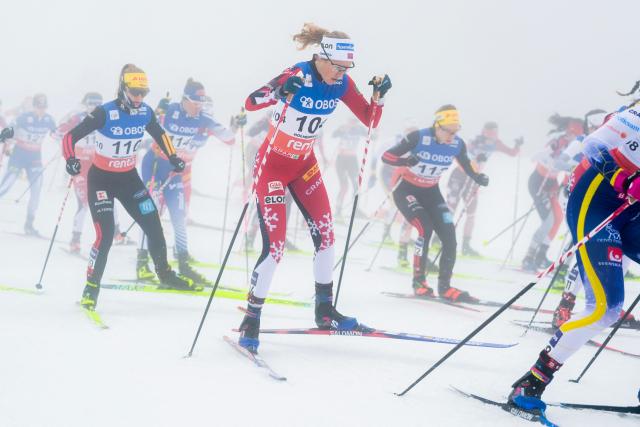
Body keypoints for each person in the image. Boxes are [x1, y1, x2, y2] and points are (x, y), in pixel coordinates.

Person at [237, 22, 391, 353]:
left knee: (326, 235)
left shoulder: (341, 84)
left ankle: (324, 310)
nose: (342, 73)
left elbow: (370, 119)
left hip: (304, 166)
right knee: (275, 247)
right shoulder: (298, 73)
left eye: (347, 68)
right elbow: (251, 102)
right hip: (274, 166)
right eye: (338, 66)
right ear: (321, 58)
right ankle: (252, 317)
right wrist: (279, 90)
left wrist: (378, 97)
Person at [507, 86, 640, 417]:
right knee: (606, 309)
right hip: (596, 207)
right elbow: (591, 146)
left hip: (632, 215)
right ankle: (531, 382)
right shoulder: (635, 116)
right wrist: (623, 180)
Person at [61, 63, 198, 311]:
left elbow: (160, 134)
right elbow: (70, 137)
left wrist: (173, 155)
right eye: (135, 92)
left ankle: (165, 275)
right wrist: (70, 160)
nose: (139, 97)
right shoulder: (105, 112)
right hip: (101, 180)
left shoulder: (144, 112)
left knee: (154, 225)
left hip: (128, 180)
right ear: (123, 88)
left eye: (143, 92)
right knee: (105, 236)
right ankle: (91, 288)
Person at [381, 105, 488, 302]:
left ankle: (445, 287)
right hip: (407, 190)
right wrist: (405, 162)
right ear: (437, 125)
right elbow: (387, 156)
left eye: (456, 131)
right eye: (449, 131)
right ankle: (419, 282)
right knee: (425, 228)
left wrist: (478, 176)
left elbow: (465, 163)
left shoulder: (456, 144)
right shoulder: (418, 137)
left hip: (431, 192)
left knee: (449, 236)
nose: (453, 136)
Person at [137, 78, 235, 285]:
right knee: (150, 214)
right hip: (154, 167)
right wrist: (157, 109)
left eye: (201, 103)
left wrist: (237, 125)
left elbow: (230, 139)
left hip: (175, 172)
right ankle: (142, 262)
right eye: (195, 103)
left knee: (179, 216)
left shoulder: (203, 119)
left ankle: (183, 263)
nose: (198, 107)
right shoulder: (170, 112)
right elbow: (142, 123)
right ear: (184, 100)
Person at [446, 121, 522, 256]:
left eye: (494, 133)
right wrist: (474, 158)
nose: (492, 135)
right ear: (483, 131)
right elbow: (461, 155)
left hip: (474, 180)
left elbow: (512, 153)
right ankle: (438, 239)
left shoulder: (496, 143)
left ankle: (465, 245)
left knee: (471, 213)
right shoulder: (475, 140)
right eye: (489, 132)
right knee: (451, 208)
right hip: (460, 176)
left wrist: (518, 144)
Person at [521, 114, 584, 271]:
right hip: (539, 182)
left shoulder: (575, 145)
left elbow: (569, 167)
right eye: (573, 130)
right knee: (549, 221)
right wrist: (554, 153)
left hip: (552, 183)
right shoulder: (558, 139)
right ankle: (528, 257)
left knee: (557, 219)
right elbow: (538, 157)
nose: (575, 134)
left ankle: (541, 255)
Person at [0, 94, 56, 235]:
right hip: (18, 156)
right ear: (34, 106)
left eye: (43, 107)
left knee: (36, 190)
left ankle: (29, 224)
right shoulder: (24, 117)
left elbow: (57, 134)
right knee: (5, 186)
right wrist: (7, 140)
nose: (41, 110)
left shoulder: (49, 119)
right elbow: (9, 130)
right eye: (38, 107)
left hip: (34, 158)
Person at [55, 92, 104, 252]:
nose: (94, 107)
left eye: (98, 104)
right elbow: (57, 133)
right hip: (80, 168)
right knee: (84, 203)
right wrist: (70, 154)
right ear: (86, 104)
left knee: (107, 199)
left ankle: (115, 233)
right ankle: (75, 240)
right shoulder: (77, 118)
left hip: (98, 166)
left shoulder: (104, 119)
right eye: (91, 104)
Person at [332, 118, 368, 220]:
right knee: (344, 186)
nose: (353, 124)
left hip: (352, 160)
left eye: (355, 122)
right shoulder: (344, 127)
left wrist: (375, 132)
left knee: (356, 185)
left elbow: (371, 136)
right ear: (348, 121)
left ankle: (356, 210)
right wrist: (341, 130)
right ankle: (338, 211)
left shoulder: (359, 129)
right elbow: (334, 135)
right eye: (351, 121)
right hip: (341, 160)